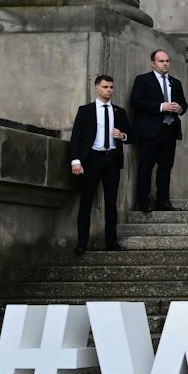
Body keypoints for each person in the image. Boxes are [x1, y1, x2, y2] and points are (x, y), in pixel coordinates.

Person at [69, 74, 130, 254]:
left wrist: (123, 136)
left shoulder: (119, 112)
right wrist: (76, 160)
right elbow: (76, 138)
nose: (109, 90)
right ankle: (82, 242)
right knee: (86, 201)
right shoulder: (85, 110)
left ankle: (111, 241)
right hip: (91, 160)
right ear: (97, 88)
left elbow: (131, 135)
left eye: (111, 87)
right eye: (105, 87)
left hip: (112, 159)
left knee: (111, 203)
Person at [129, 49, 187, 214]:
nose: (165, 64)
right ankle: (143, 201)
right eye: (161, 61)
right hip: (149, 131)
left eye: (167, 61)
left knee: (166, 167)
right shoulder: (143, 80)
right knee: (146, 166)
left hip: (170, 130)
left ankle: (163, 201)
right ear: (153, 63)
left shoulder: (175, 83)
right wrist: (161, 106)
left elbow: (184, 103)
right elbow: (136, 102)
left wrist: (179, 107)